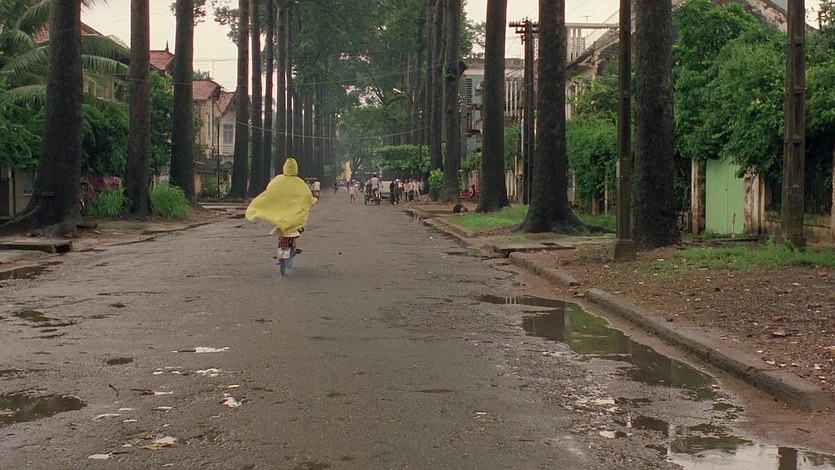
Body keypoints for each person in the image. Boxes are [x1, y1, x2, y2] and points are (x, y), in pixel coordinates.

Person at [245, 157, 318, 238]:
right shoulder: (300, 183)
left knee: (281, 222)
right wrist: (312, 201)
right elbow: (307, 195)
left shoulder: (277, 180)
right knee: (297, 224)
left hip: (280, 213)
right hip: (294, 215)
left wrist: (256, 206)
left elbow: (268, 193)